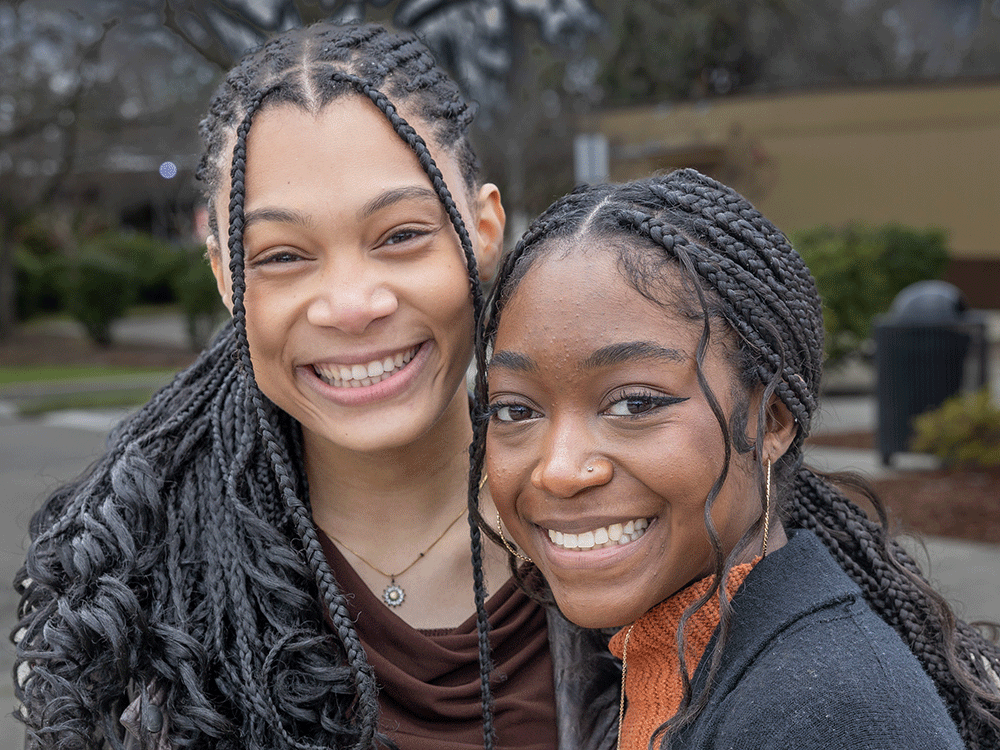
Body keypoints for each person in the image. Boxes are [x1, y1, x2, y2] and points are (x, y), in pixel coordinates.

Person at [13, 22, 618, 750]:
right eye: (282, 256)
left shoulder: (630, 526)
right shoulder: (136, 605)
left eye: (400, 235)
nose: (351, 304)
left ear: (485, 231)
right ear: (224, 281)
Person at [472, 169, 1000, 750]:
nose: (559, 469)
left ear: (770, 420)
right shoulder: (667, 657)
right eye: (515, 410)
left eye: (635, 403)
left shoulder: (829, 714)